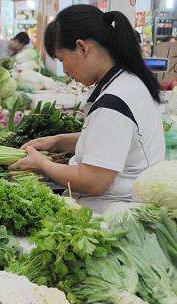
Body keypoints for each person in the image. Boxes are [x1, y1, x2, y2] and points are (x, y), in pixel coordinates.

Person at [11, 5, 165, 214]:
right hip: (119, 206)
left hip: (109, 215)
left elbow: (93, 182)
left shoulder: (114, 101)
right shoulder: (129, 81)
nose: (65, 70)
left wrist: (42, 164)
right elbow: (114, 140)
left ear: (82, 47)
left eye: (63, 59)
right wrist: (60, 140)